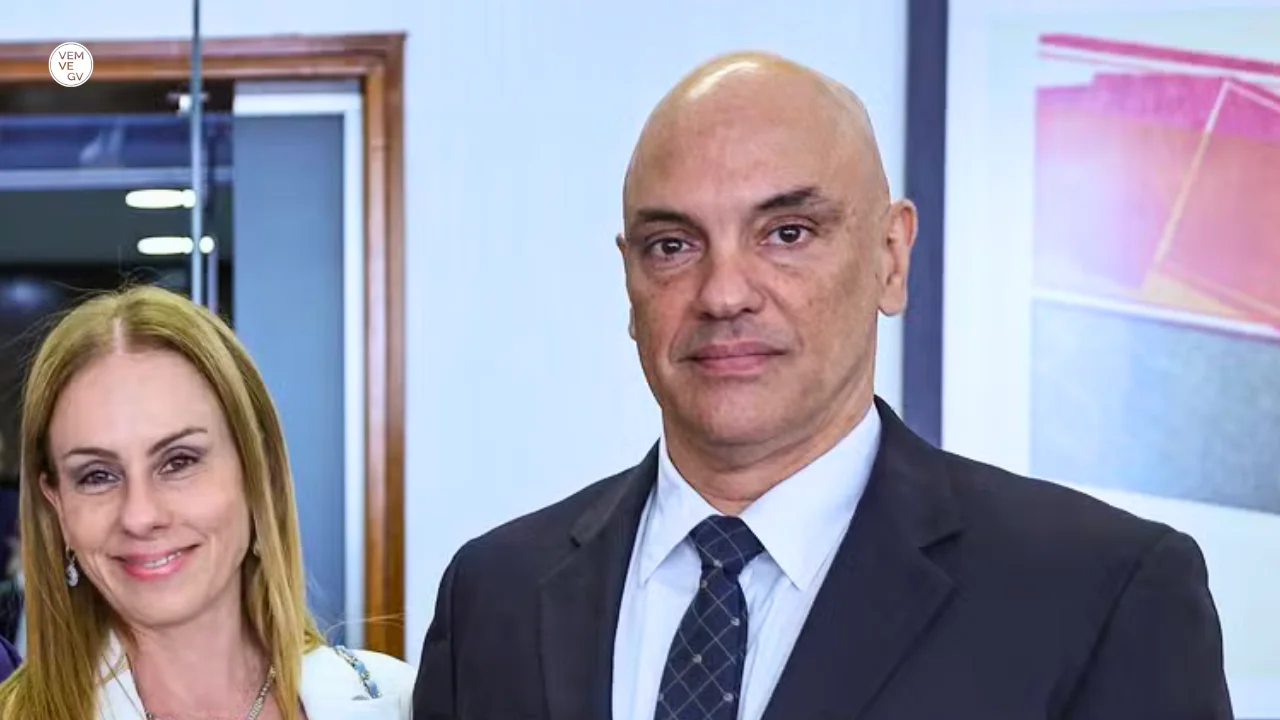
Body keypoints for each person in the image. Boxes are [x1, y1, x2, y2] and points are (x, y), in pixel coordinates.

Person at [412, 51, 1232, 720]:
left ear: (890, 257)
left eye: (787, 233)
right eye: (673, 245)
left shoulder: (1099, 594)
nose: (724, 293)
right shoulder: (494, 594)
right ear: (629, 281)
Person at [0, 285, 415, 719]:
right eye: (97, 476)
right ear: (57, 505)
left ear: (257, 471)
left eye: (179, 461)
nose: (140, 515)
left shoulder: (404, 700)